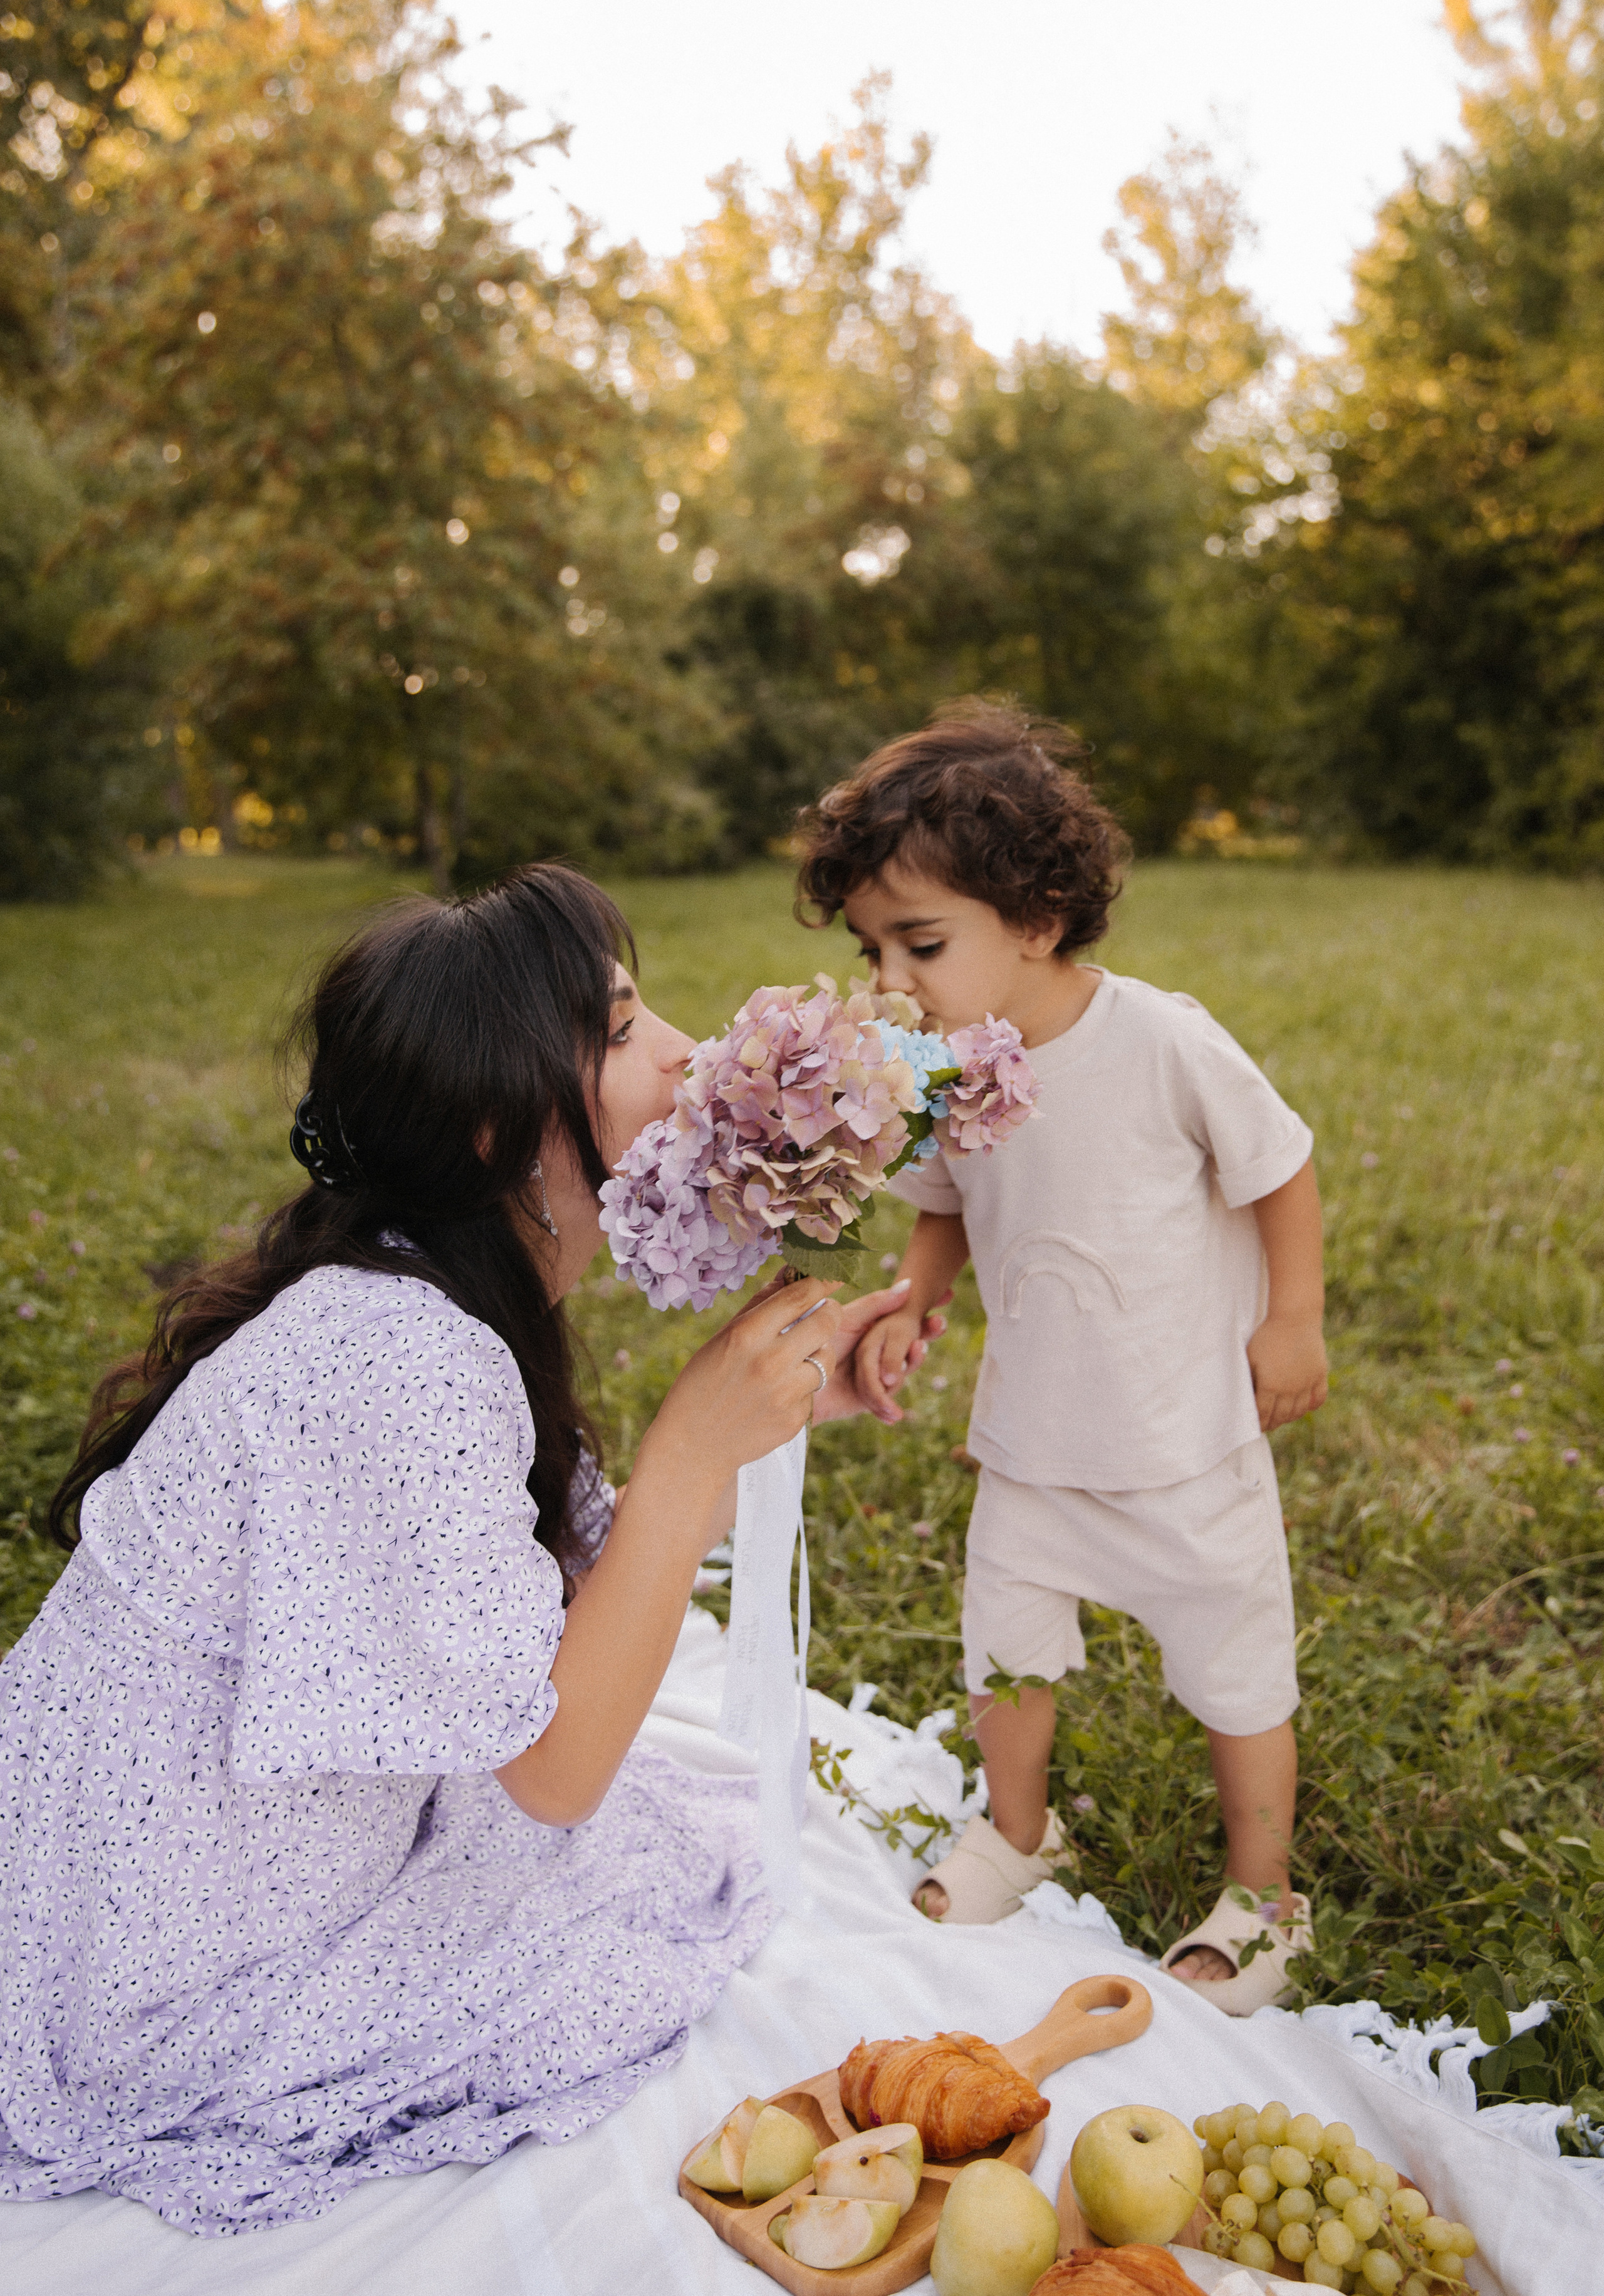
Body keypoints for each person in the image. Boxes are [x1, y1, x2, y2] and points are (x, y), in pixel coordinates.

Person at [0, 863, 929, 2236]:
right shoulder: (404, 1361)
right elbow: (553, 1770)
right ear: (500, 1131)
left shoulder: (421, 1290)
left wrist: (753, 1432)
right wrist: (683, 1451)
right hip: (147, 1966)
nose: (680, 1050)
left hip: (123, 1873)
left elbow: (556, 1599)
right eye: (617, 1030)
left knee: (646, 1858)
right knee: (616, 1910)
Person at [794, 702, 1329, 2013]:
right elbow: (941, 1213)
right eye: (872, 950)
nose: (888, 982)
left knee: (1232, 1664)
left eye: (919, 943)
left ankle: (1261, 1900)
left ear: (1035, 917)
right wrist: (909, 1304)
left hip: (1178, 1437)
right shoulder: (942, 1075)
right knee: (1006, 1647)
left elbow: (1282, 1164)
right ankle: (1019, 1831)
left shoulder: (1158, 1040)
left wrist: (1292, 1317)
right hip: (1032, 1435)